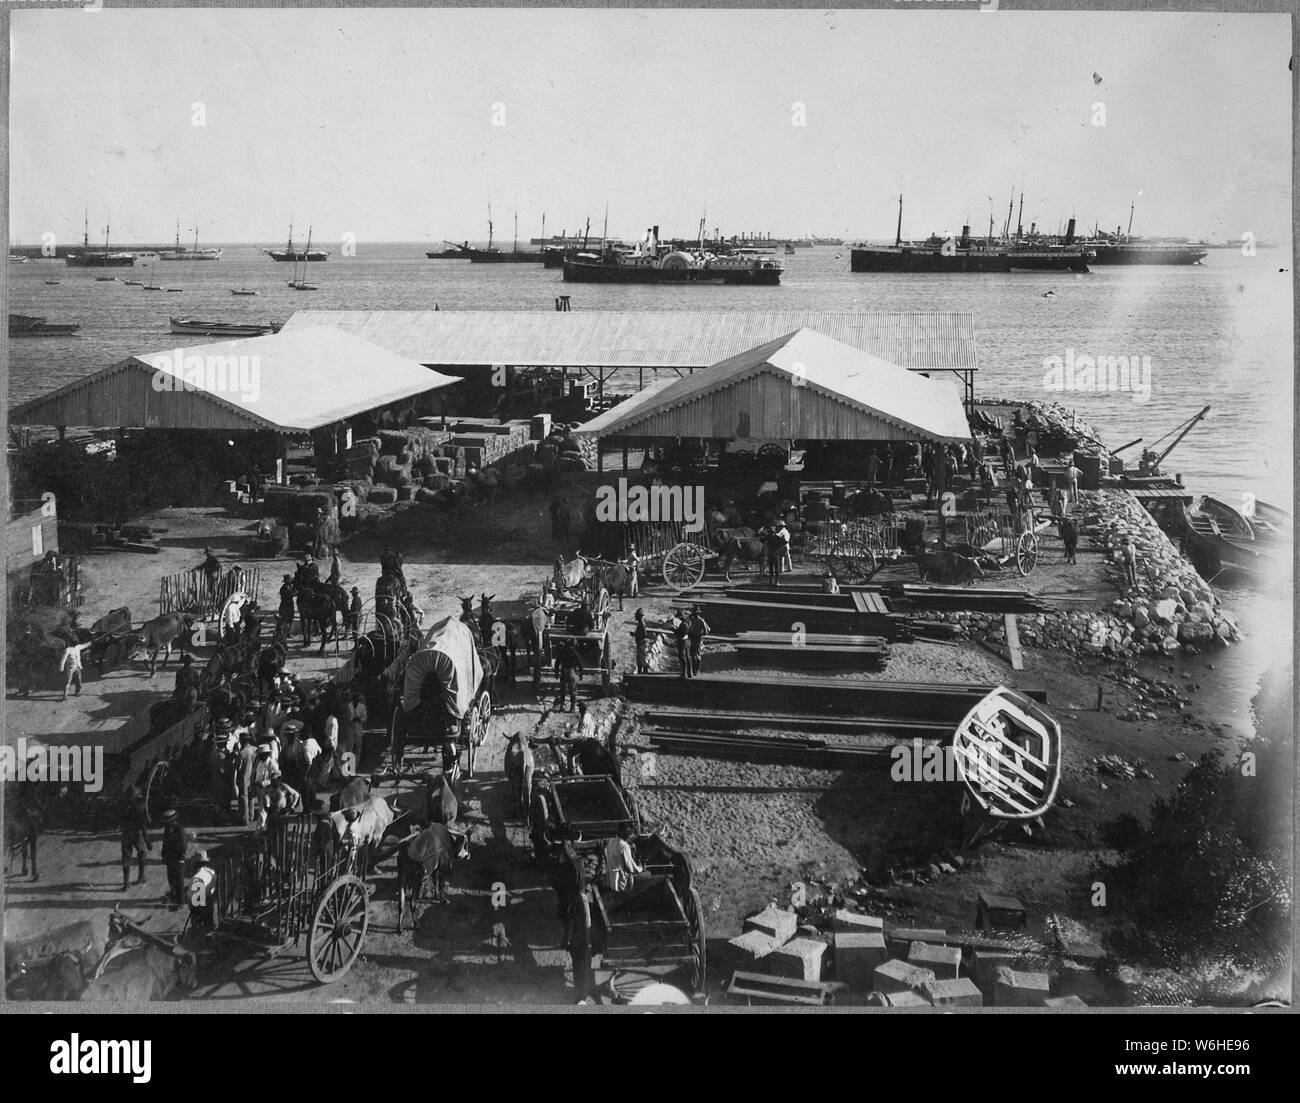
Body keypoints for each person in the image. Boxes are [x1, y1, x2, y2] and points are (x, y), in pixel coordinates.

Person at [119, 793, 151, 890]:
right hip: (137, 834)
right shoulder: (140, 807)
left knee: (126, 857)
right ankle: (141, 877)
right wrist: (147, 841)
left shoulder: (122, 807)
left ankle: (126, 884)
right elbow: (143, 825)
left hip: (126, 834)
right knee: (142, 854)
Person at [160, 808, 190, 908]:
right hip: (170, 859)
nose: (166, 824)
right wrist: (163, 855)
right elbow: (165, 844)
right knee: (171, 879)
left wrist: (181, 858)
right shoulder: (167, 830)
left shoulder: (180, 831)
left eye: (168, 822)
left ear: (173, 821)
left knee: (179, 880)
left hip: (177, 860)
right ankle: (174, 896)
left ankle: (181, 901)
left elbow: (183, 847)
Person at [603, 824, 644, 893]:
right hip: (620, 882)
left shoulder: (611, 843)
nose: (629, 835)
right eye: (628, 833)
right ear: (623, 833)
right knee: (645, 876)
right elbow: (631, 866)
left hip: (610, 879)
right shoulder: (624, 846)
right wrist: (640, 868)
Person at [187, 850, 217, 934]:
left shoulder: (197, 878)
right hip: (209, 902)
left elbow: (194, 900)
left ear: (195, 863)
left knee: (198, 928)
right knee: (209, 924)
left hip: (199, 904)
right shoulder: (211, 872)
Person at [553, 639, 584, 711]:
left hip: (564, 671)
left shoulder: (563, 652)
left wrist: (556, 672)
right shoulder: (576, 654)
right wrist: (581, 674)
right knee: (573, 691)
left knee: (562, 689)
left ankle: (562, 706)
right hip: (572, 672)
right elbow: (580, 665)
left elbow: (557, 662)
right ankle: (572, 708)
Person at [687, 609, 712, 677]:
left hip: (697, 638)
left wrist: (701, 634)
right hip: (692, 638)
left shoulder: (700, 620)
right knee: (692, 654)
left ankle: (697, 670)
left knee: (697, 654)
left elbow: (707, 630)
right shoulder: (691, 620)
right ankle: (693, 670)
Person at [671, 612, 690, 680]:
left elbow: (680, 634)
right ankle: (689, 672)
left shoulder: (682, 625)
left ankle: (684, 673)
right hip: (687, 641)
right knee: (687, 657)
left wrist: (674, 630)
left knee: (682, 657)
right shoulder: (686, 624)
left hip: (682, 642)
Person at [633, 609, 649, 674]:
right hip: (640, 642)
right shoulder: (641, 623)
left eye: (636, 616)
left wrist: (635, 634)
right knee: (639, 659)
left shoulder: (642, 624)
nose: (635, 617)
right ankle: (639, 673)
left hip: (641, 643)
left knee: (642, 658)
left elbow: (644, 634)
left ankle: (645, 673)